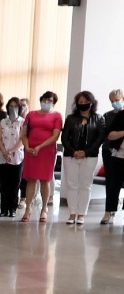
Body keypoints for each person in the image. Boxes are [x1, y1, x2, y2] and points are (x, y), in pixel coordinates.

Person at [60, 91, 105, 225]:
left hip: (90, 157)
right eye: (80, 102)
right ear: (76, 104)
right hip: (71, 156)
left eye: (86, 102)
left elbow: (99, 139)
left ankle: (81, 214)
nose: (83, 104)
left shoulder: (99, 119)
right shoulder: (70, 118)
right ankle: (72, 213)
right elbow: (64, 138)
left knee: (85, 185)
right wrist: (73, 152)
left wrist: (86, 152)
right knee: (71, 184)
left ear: (92, 103)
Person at [21, 91, 63, 222]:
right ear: (41, 100)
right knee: (31, 179)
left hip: (46, 151)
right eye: (45, 100)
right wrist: (27, 147)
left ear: (53, 103)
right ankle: (28, 208)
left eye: (50, 101)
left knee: (45, 180)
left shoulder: (57, 116)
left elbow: (55, 136)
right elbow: (24, 134)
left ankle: (44, 208)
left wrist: (39, 147)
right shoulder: (31, 114)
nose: (46, 102)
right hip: (31, 150)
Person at [0, 97, 26, 218]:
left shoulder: (23, 122)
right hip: (3, 156)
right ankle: (3, 209)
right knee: (3, 184)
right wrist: (4, 152)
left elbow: (22, 140)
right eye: (11, 106)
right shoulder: (3, 122)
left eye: (16, 106)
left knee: (14, 184)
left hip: (17, 156)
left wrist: (11, 151)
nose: (13, 109)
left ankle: (12, 208)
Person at [103, 88, 124, 226]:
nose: (115, 103)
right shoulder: (109, 115)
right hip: (113, 152)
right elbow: (108, 134)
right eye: (112, 101)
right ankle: (109, 211)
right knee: (112, 183)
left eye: (117, 100)